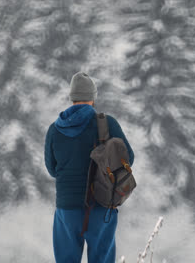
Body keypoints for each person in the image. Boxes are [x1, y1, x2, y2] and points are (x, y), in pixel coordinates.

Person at [44, 71, 135, 263]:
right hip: (100, 207)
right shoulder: (107, 124)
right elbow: (129, 159)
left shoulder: (55, 129)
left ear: (72, 97)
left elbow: (52, 170)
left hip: (66, 210)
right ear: (93, 97)